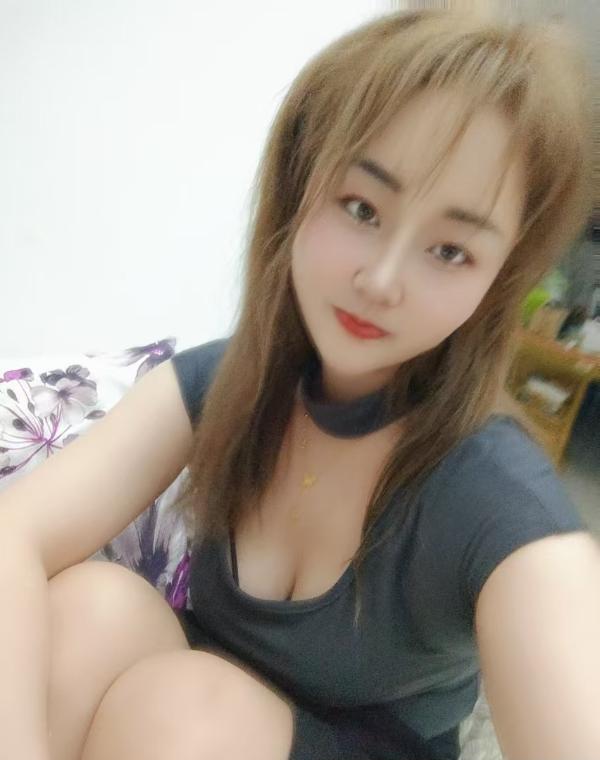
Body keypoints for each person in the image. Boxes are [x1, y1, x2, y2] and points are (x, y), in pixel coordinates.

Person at [0, 7, 598, 760]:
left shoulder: (498, 496)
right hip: (187, 717)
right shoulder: (231, 382)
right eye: (362, 208)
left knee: (181, 711)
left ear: (501, 276)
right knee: (96, 607)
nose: (381, 280)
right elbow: (16, 532)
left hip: (237, 732)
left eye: (450, 251)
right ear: (300, 186)